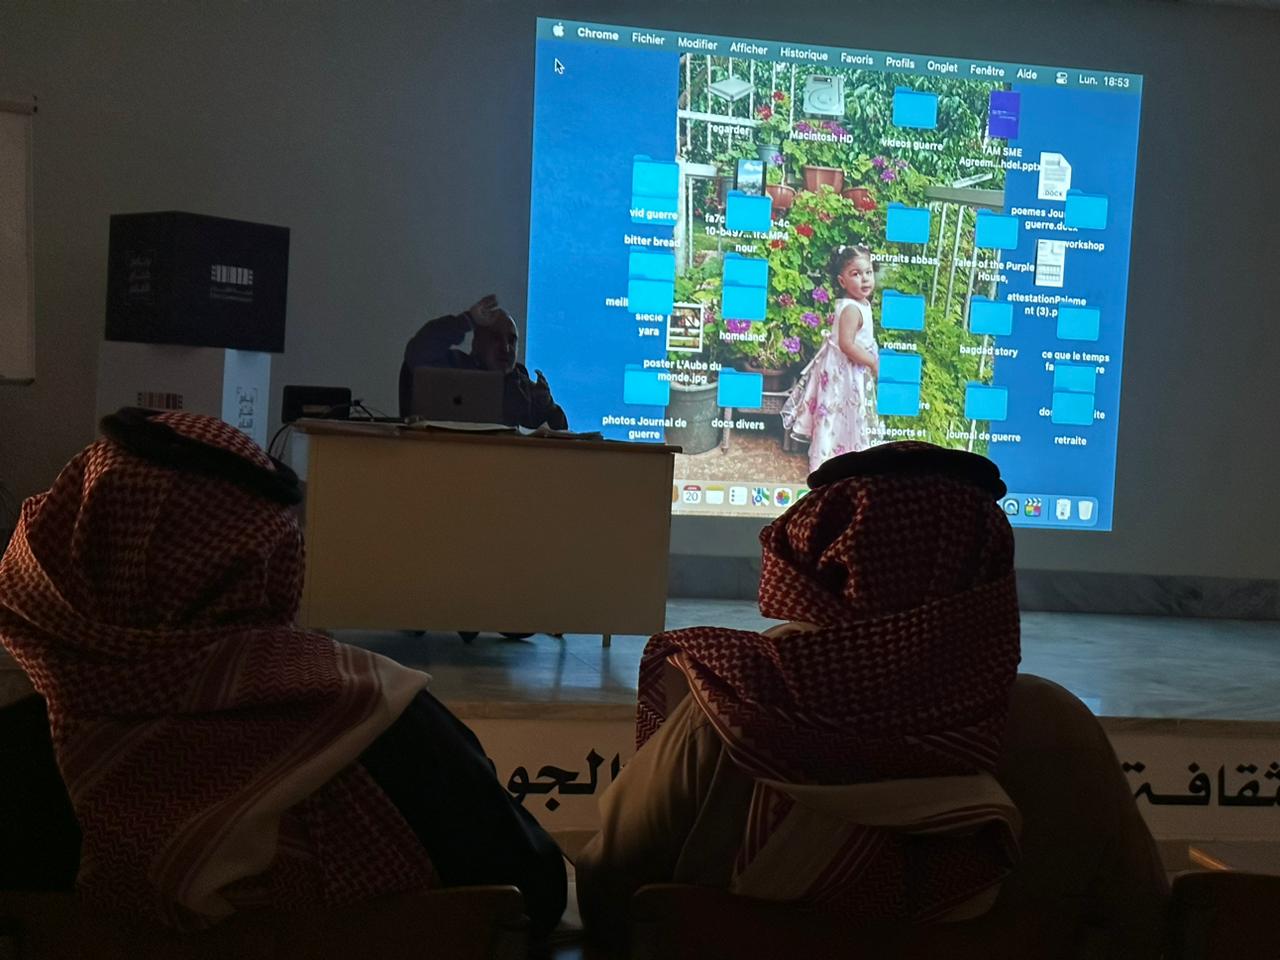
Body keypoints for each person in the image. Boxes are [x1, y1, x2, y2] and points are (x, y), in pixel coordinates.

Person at [575, 442, 1168, 957]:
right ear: (985, 566)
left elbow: (611, 896)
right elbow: (1140, 920)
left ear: (821, 557)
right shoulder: (1060, 731)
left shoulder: (731, 712)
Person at [0, 408, 566, 934]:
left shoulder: (22, 760)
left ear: (75, 547)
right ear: (272, 559)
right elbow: (535, 892)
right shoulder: (389, 726)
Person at [398, 294, 568, 429]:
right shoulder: (453, 367)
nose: (506, 348)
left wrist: (549, 407)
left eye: (511, 340)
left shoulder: (525, 388)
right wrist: (467, 320)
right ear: (477, 343)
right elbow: (417, 352)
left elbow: (559, 441)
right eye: (496, 338)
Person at [782, 245, 881, 471]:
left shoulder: (861, 304)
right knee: (836, 411)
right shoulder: (851, 309)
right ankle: (825, 458)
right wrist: (871, 361)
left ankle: (847, 451)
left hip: (848, 369)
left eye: (868, 272)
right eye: (856, 274)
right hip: (843, 372)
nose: (865, 279)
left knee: (849, 412)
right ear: (842, 281)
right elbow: (847, 345)